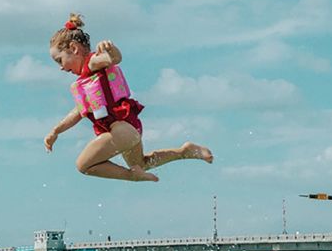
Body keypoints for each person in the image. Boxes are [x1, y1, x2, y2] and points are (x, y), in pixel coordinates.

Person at [43, 13, 213, 183]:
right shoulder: (84, 82)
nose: (61, 68)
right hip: (129, 129)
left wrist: (109, 48)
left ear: (73, 49)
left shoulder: (92, 63)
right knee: (143, 163)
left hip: (120, 129)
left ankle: (131, 176)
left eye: (60, 60)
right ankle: (185, 152)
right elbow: (79, 112)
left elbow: (115, 59)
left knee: (84, 165)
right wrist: (55, 131)